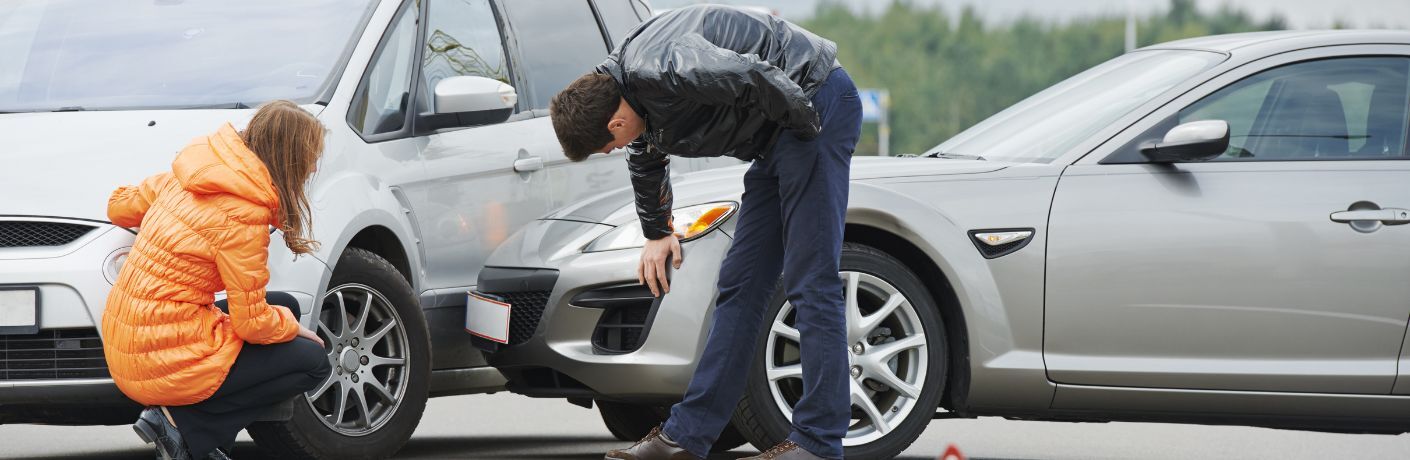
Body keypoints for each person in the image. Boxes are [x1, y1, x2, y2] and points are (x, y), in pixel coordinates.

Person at [550, 5, 862, 460]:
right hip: (779, 133)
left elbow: (755, 76)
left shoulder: (666, 67)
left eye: (609, 146)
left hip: (812, 104)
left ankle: (818, 442)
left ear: (614, 123)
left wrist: (808, 133)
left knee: (810, 278)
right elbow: (645, 154)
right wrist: (657, 231)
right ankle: (687, 438)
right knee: (739, 283)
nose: (616, 149)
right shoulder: (624, 88)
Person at [102, 100, 332, 460]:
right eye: (310, 157)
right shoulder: (244, 213)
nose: (314, 166)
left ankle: (201, 437)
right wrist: (292, 327)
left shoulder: (193, 173)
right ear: (288, 158)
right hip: (158, 356)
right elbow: (252, 323)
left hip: (126, 337)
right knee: (313, 360)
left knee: (284, 303)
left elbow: (118, 207)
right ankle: (181, 425)